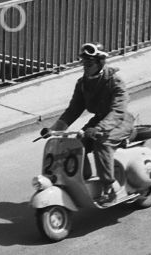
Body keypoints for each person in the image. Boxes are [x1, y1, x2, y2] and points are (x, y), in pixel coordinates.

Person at [47, 42, 134, 205]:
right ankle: (83, 180)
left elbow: (118, 111)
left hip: (120, 121)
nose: (85, 66)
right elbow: (73, 109)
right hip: (99, 120)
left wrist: (98, 129)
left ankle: (109, 187)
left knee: (101, 142)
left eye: (89, 63)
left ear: (100, 62)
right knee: (75, 144)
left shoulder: (115, 81)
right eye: (83, 62)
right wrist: (54, 130)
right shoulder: (82, 83)